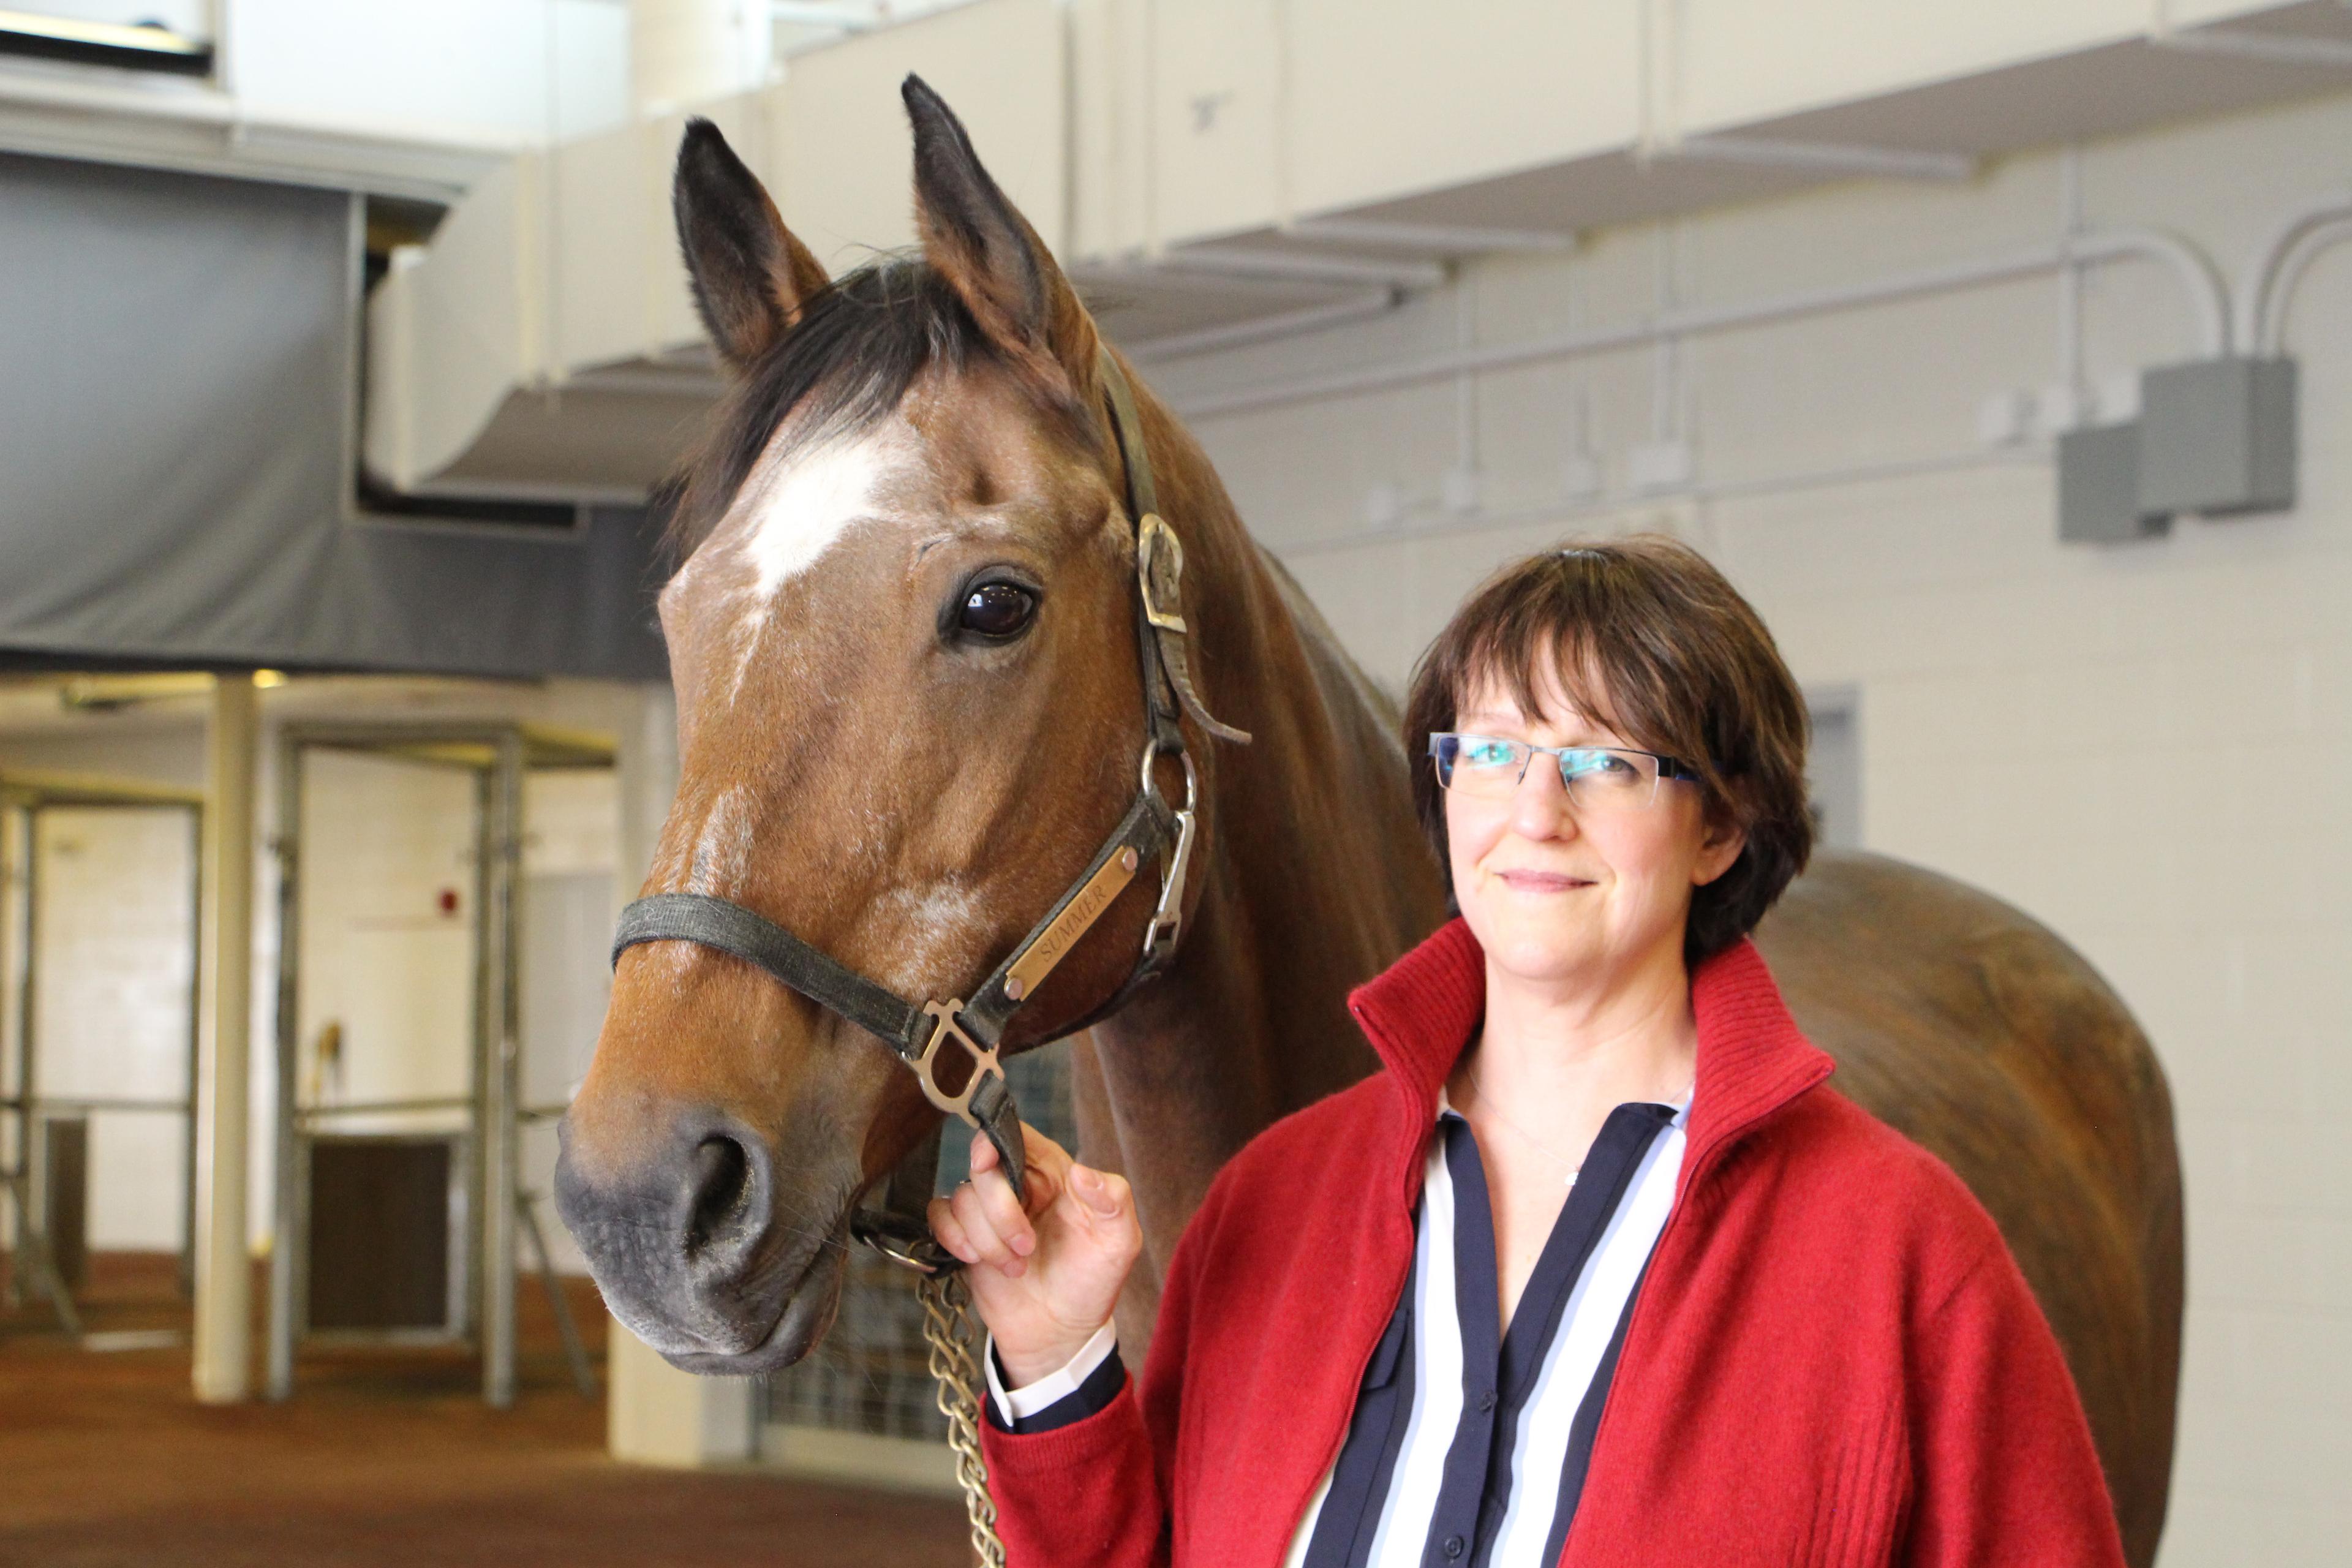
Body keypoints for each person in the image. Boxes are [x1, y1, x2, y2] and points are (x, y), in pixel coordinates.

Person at [929, 537, 2127, 1567]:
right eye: (1491, 750)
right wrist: (1054, 1357)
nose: (1535, 811)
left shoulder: (1898, 1250)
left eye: (1607, 758)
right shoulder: (1274, 1203)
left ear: (1718, 826)